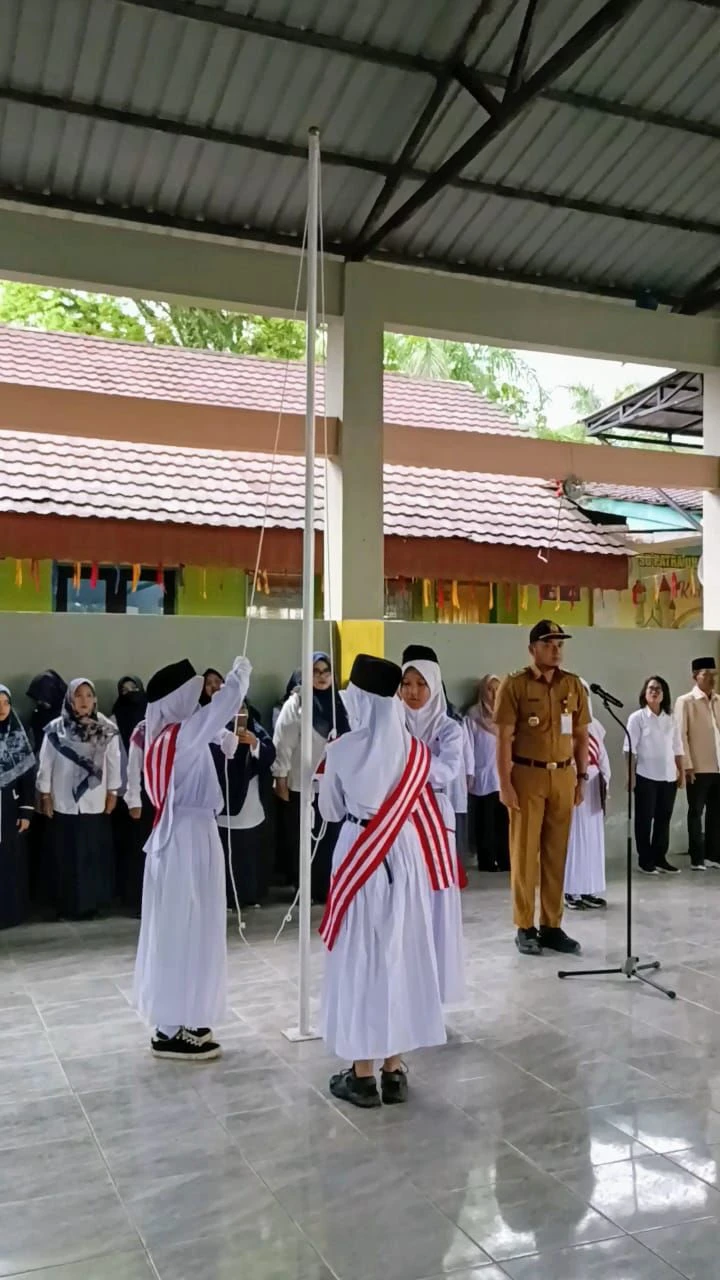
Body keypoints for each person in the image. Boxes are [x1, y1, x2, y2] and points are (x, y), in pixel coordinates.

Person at [319, 654, 449, 1108]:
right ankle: (394, 1070)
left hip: (360, 850)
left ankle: (361, 1075)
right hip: (405, 853)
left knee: (362, 957)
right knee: (399, 953)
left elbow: (330, 811)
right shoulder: (415, 751)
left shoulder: (342, 749)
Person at [133, 656, 251, 1061]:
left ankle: (187, 1014)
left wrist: (222, 738)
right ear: (177, 698)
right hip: (185, 839)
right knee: (181, 927)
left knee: (192, 925)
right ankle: (170, 1026)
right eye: (193, 691)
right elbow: (217, 711)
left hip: (190, 835)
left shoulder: (168, 734)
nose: (200, 697)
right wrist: (238, 678)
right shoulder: (177, 738)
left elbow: (207, 726)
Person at [494, 620, 590, 957]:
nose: (556, 650)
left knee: (556, 853)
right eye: (549, 644)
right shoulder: (515, 685)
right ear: (533, 648)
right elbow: (504, 738)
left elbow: (581, 736)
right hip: (527, 775)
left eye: (560, 644)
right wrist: (504, 784)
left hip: (563, 776)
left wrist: (582, 778)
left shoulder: (574, 685)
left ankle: (552, 925)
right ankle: (525, 925)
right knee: (525, 853)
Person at [399, 651, 466, 1006]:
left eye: (421, 684)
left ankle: (434, 986)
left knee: (435, 899)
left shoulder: (449, 728)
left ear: (435, 686)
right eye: (406, 684)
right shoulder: (392, 722)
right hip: (399, 814)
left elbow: (446, 771)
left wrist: (407, 758)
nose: (412, 692)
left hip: (434, 814)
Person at [37, 679, 121, 920]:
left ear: (94, 699)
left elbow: (114, 762)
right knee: (66, 856)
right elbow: (46, 763)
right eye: (78, 695)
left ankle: (90, 905)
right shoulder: (56, 727)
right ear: (70, 699)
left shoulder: (105, 727)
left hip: (95, 801)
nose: (84, 700)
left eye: (88, 695)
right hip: (64, 801)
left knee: (91, 856)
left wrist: (113, 792)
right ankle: (66, 906)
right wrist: (45, 794)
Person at [272, 652, 349, 902]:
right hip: (302, 785)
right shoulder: (296, 704)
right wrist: (280, 777)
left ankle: (329, 887)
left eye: (326, 671)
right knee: (303, 839)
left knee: (331, 839)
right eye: (315, 671)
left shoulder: (341, 703)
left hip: (335, 788)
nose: (322, 677)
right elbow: (283, 743)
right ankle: (306, 888)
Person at [202, 668, 276, 908]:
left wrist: (253, 743)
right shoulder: (207, 722)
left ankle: (249, 895)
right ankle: (224, 897)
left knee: (247, 851)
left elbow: (269, 751)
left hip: (249, 800)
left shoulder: (253, 722)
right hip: (220, 798)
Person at [626, 675, 685, 876]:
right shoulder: (637, 718)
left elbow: (678, 748)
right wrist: (630, 775)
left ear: (664, 694)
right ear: (645, 693)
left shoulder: (671, 718)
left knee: (663, 818)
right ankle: (646, 860)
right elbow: (629, 750)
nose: (654, 691)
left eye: (658, 689)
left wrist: (681, 773)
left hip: (668, 776)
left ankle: (660, 858)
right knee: (644, 819)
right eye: (651, 688)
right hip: (645, 776)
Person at [564, 680, 611, 908]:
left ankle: (588, 888)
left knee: (592, 841)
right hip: (572, 786)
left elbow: (603, 758)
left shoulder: (596, 726)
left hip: (593, 789)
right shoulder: (564, 724)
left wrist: (604, 782)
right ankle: (571, 891)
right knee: (574, 840)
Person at [675, 657, 720, 871]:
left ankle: (713, 854)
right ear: (695, 676)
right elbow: (680, 735)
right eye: (706, 674)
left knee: (716, 813)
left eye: (714, 675)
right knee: (696, 812)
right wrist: (687, 765)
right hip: (698, 767)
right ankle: (697, 857)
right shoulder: (686, 701)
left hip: (718, 766)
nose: (712, 679)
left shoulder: (718, 701)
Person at [465, 674, 510, 873]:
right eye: (490, 689)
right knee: (485, 822)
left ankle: (505, 859)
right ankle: (487, 860)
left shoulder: (507, 715)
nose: (494, 693)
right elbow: (468, 747)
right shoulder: (473, 715)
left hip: (505, 777)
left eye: (497, 689)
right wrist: (469, 773)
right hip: (483, 776)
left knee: (504, 821)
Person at [111, 675, 149, 910]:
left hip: (153, 792)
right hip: (126, 794)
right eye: (123, 689)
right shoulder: (115, 719)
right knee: (132, 849)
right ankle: (134, 899)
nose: (130, 693)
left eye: (134, 688)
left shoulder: (153, 718)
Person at [0, 684, 35, 929]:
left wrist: (25, 811)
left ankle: (10, 913)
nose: (1, 708)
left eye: (5, 703)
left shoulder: (17, 738)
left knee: (9, 862)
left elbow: (27, 778)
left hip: (9, 809)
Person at [26, 669, 66, 752]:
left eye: (44, 697)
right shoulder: (37, 714)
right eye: (37, 698)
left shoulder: (70, 717)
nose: (39, 702)